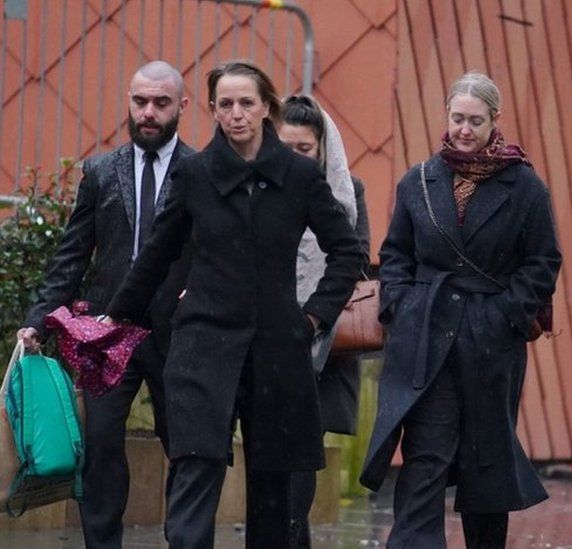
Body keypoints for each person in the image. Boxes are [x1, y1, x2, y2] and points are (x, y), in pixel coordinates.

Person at [103, 60, 362, 548]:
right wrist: (113, 318)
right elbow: (157, 255)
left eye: (247, 103)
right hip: (203, 345)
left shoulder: (300, 176)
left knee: (273, 489)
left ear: (266, 107)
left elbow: (347, 251)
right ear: (212, 110)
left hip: (279, 347)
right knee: (195, 473)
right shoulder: (195, 174)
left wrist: (314, 316)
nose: (237, 114)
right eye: (225, 104)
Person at [359, 72, 561, 548]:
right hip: (426, 335)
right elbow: (395, 255)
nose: (464, 130)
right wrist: (401, 306)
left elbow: (543, 260)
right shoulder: (420, 181)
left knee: (485, 460)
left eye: (475, 120)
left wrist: (506, 314)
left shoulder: (525, 187)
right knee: (425, 455)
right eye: (457, 118)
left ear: (495, 121)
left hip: (491, 343)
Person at [16, 60, 192, 549]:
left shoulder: (200, 172)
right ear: (129, 104)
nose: (149, 113)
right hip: (108, 332)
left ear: (182, 105)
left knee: (186, 446)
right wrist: (39, 321)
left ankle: (183, 539)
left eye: (160, 103)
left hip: (177, 332)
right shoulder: (99, 171)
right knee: (100, 444)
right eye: (140, 102)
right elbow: (72, 254)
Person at [278, 94, 371, 548]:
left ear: (321, 149)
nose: (295, 157)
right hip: (263, 337)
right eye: (286, 147)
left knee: (301, 453)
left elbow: (357, 258)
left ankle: (295, 536)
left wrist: (312, 313)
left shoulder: (346, 191)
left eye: (304, 149)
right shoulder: (257, 186)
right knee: (267, 451)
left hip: (319, 344)